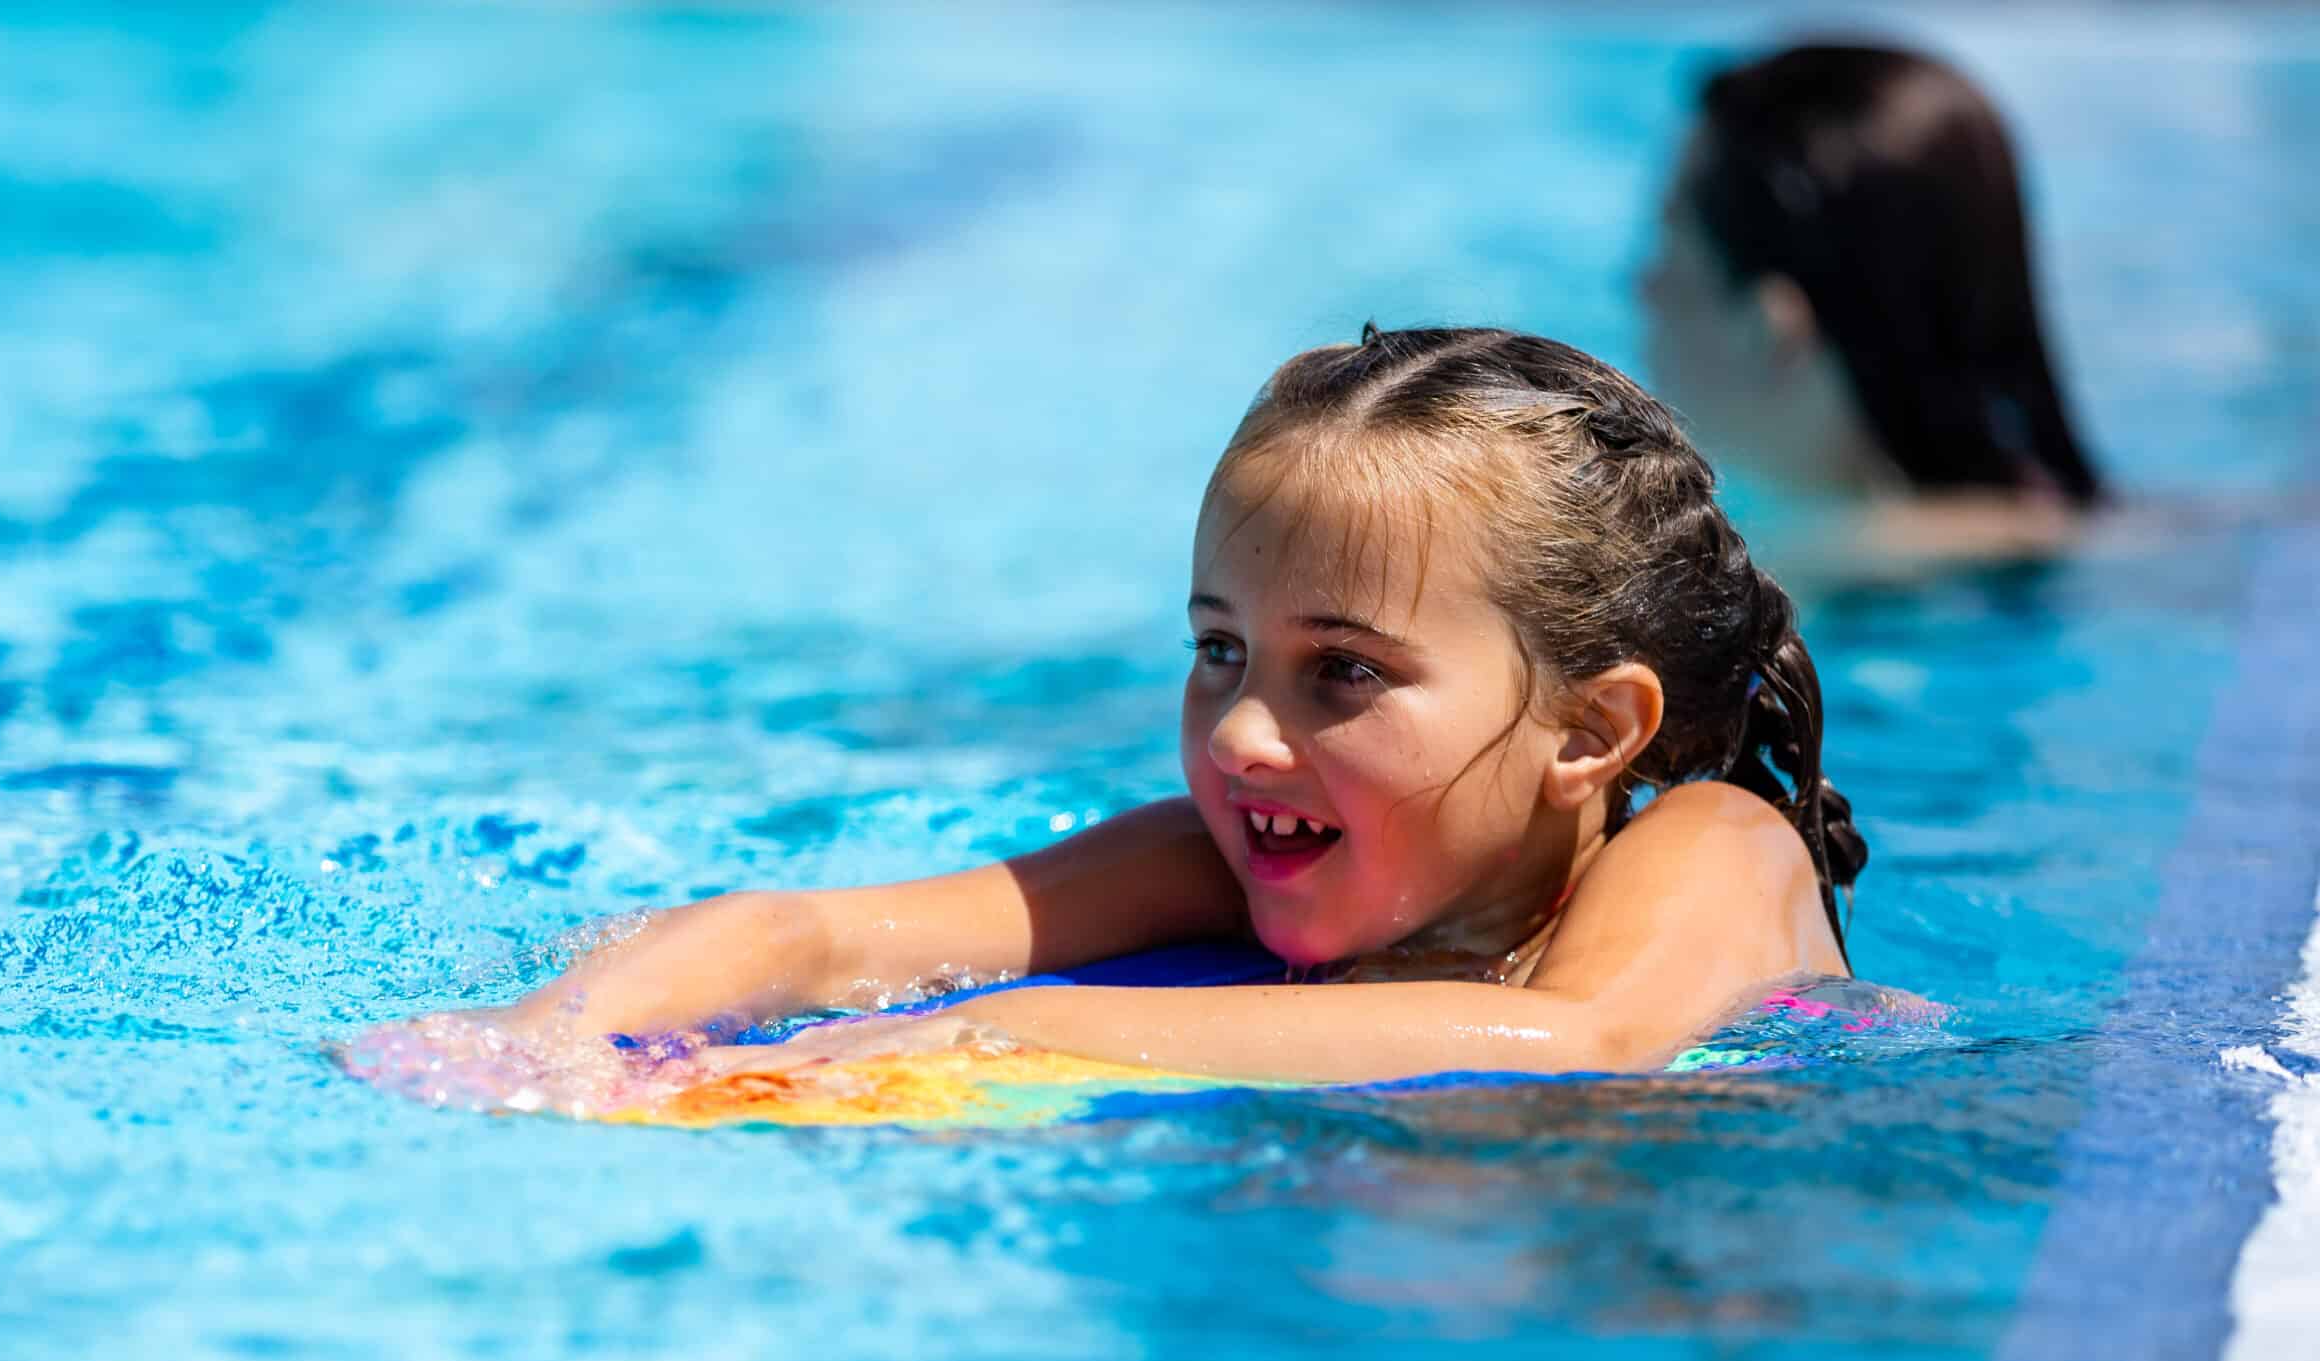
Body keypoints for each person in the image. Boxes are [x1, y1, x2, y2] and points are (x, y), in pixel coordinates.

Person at [348, 327, 1865, 1113]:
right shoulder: (1238, 867)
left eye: (1342, 673)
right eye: (1219, 650)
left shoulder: (1711, 856)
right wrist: (544, 1040)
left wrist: (1005, 1035)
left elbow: (1582, 1042)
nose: (1244, 737)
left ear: (1590, 733)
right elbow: (807, 935)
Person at [1639, 43, 2103, 571]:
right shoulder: (2081, 526)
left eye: (1670, 243)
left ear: (1773, 328)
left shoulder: (1794, 580)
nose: (1643, 287)